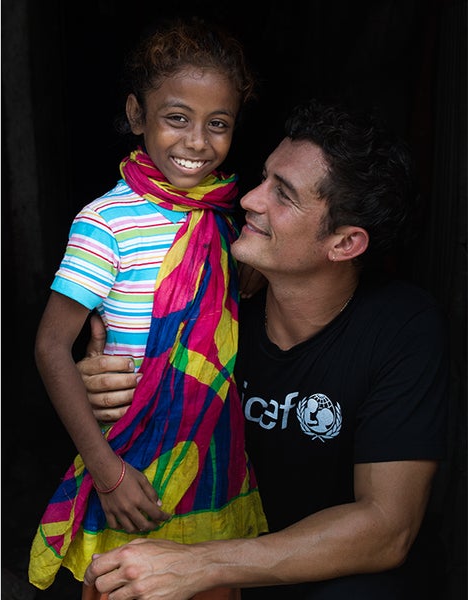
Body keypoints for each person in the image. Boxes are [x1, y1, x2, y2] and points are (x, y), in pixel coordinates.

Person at [78, 101, 449, 600]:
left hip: (323, 575)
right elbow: (130, 395)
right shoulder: (208, 294)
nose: (250, 199)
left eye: (283, 194)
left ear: (344, 243)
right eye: (263, 178)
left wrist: (202, 564)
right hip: (214, 552)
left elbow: (387, 527)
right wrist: (108, 386)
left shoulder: (402, 328)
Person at [28, 19, 266, 595]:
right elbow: (51, 347)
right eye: (177, 118)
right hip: (131, 467)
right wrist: (107, 475)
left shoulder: (229, 220)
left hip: (214, 465)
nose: (197, 143)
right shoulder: (106, 223)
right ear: (137, 115)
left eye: (218, 124)